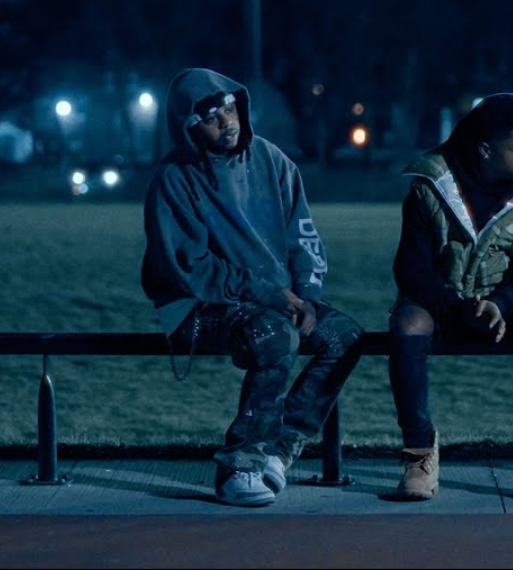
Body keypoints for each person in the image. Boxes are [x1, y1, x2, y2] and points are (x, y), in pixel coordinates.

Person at [141, 67, 364, 507]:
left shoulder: (271, 160)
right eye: (210, 117)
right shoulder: (174, 179)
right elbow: (191, 267)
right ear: (188, 126)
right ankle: (238, 466)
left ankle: (280, 448)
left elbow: (303, 236)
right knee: (273, 335)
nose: (226, 122)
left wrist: (308, 296)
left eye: (229, 108)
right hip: (196, 305)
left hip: (276, 299)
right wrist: (268, 294)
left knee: (345, 336)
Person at [387, 93, 513, 503]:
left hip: (505, 305)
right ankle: (419, 455)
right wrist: (457, 308)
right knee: (407, 324)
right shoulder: (431, 185)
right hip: (443, 303)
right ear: (486, 149)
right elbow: (412, 270)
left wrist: (499, 304)